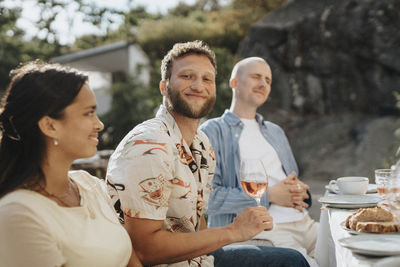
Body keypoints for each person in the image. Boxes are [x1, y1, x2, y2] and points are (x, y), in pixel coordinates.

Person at [106, 40, 309, 267]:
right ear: (164, 87)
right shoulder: (150, 145)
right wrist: (233, 231)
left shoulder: (202, 144)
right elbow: (145, 250)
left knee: (293, 260)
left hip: (200, 258)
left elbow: (197, 221)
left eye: (206, 79)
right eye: (186, 76)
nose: (198, 86)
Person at [0, 61, 142, 267]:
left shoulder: (90, 186)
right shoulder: (18, 215)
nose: (99, 124)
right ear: (50, 126)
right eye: (89, 113)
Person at [200, 57, 319, 266]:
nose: (263, 84)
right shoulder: (212, 131)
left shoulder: (275, 131)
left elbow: (292, 179)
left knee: (346, 249)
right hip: (263, 230)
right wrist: (270, 196)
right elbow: (207, 199)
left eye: (268, 80)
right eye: (256, 77)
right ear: (234, 82)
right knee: (308, 264)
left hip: (304, 223)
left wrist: (302, 192)